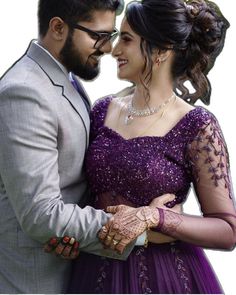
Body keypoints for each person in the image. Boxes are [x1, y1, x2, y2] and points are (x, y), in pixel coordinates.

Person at [51, 0, 236, 293]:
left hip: (166, 277)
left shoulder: (198, 125)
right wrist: (70, 236)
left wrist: (154, 217)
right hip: (93, 271)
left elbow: (227, 231)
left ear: (161, 50)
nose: (113, 50)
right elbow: (83, 191)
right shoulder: (101, 111)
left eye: (126, 39)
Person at [0, 0, 151, 293]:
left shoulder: (62, 76)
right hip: (34, 280)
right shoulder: (24, 92)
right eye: (99, 36)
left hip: (71, 265)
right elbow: (41, 215)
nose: (108, 49)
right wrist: (138, 227)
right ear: (58, 27)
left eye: (111, 37)